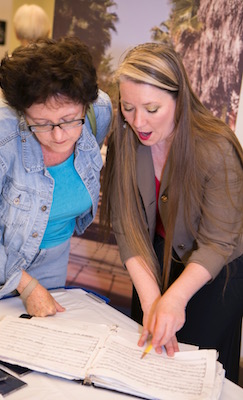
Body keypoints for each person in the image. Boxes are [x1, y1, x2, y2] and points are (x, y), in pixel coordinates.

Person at [100, 42, 243, 383]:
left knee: (196, 370)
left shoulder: (216, 147)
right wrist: (152, 300)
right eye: (128, 107)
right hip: (154, 259)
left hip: (214, 272)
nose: (138, 121)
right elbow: (126, 224)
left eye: (152, 108)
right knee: (149, 365)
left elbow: (219, 242)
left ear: (179, 99)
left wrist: (175, 298)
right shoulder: (125, 137)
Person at [0, 37, 112, 318]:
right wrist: (24, 286)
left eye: (70, 119)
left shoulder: (99, 112)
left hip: (54, 259)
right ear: (22, 112)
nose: (60, 136)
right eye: (43, 124)